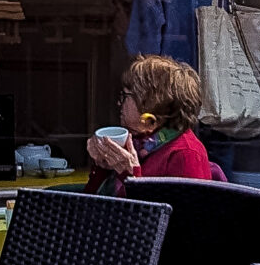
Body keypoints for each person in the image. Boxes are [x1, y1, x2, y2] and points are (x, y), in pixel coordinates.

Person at [86, 54, 223, 189]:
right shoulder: (139, 143)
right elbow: (92, 205)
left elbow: (181, 211)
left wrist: (131, 176)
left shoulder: (186, 154)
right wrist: (102, 167)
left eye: (125, 96)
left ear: (152, 103)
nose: (118, 103)